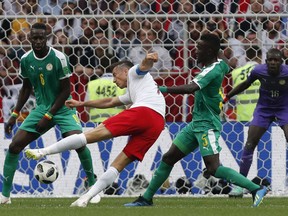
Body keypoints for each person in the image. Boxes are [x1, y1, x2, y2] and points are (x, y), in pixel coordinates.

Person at [124, 33, 267, 208]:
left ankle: (255, 188)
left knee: (213, 168)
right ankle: (146, 199)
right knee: (169, 158)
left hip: (207, 125)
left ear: (209, 51)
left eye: (199, 48)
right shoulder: (222, 64)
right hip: (196, 123)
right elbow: (225, 61)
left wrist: (162, 89)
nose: (195, 51)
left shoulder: (212, 70)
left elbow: (191, 87)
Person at [25, 52, 166, 207]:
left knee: (88, 136)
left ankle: (42, 152)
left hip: (145, 112)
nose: (113, 80)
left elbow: (144, 66)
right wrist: (81, 104)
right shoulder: (134, 91)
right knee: (118, 164)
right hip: (157, 123)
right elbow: (110, 101)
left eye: (114, 75)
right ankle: (85, 198)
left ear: (125, 71)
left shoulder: (133, 72)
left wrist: (149, 58)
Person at [0, 23, 96, 204]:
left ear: (47, 38)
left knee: (78, 142)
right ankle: (5, 195)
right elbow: (26, 88)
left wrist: (49, 116)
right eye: (34, 38)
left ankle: (92, 186)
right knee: (14, 146)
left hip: (63, 107)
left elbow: (66, 90)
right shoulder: (26, 59)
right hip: (41, 108)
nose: (37, 41)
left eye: (41, 38)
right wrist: (14, 114)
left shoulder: (59, 58)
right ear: (29, 39)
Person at [223, 48, 288, 197]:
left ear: (281, 62)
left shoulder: (287, 72)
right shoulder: (258, 71)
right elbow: (245, 84)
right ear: (266, 62)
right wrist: (227, 97)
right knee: (250, 144)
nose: (272, 63)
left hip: (283, 109)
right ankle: (240, 186)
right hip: (264, 110)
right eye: (270, 60)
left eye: (276, 60)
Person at [226, 46, 262, 121]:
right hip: (260, 117)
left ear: (245, 58)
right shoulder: (264, 72)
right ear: (260, 57)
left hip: (242, 116)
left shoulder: (235, 73)